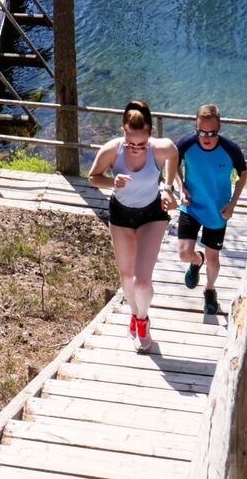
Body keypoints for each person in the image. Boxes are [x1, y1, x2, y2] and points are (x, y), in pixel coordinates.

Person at [88, 100, 179, 353]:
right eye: (131, 142)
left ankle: (142, 320)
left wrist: (167, 188)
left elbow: (174, 155)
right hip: (121, 216)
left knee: (141, 282)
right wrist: (111, 182)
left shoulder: (160, 148)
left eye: (141, 143)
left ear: (150, 133)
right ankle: (134, 313)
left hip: (152, 215)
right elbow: (93, 178)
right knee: (126, 277)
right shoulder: (111, 150)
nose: (136, 148)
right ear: (123, 131)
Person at [175, 103, 247, 317]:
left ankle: (209, 291)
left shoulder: (230, 149)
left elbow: (243, 174)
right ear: (195, 127)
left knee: (213, 257)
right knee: (183, 253)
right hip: (191, 206)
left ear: (219, 128)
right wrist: (181, 187)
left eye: (211, 133)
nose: (206, 137)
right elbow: (173, 164)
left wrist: (232, 204)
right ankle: (196, 261)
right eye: (201, 132)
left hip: (217, 211)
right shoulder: (186, 144)